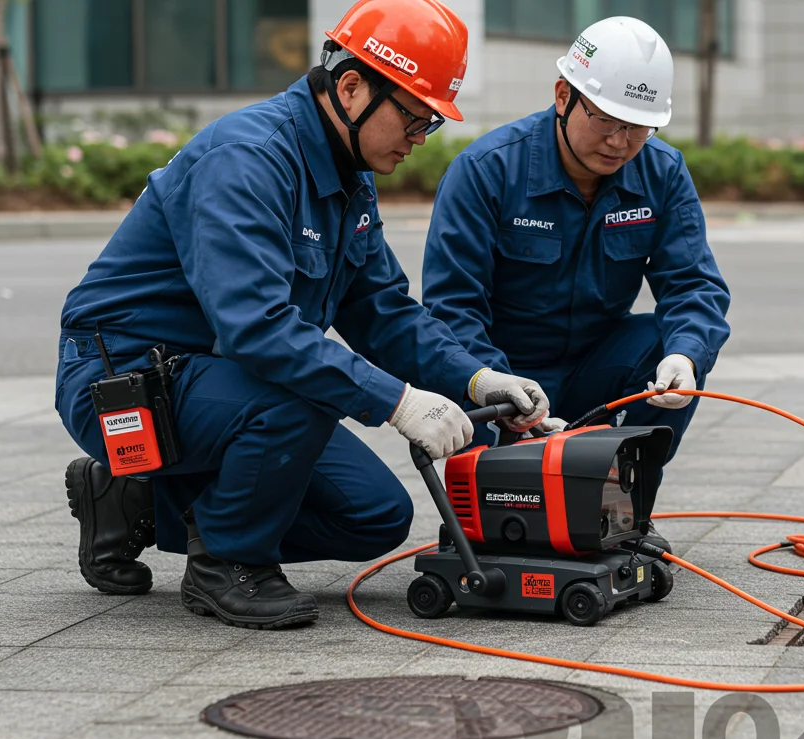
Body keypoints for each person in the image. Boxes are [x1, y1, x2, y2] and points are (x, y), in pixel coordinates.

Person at [55, 0, 550, 630]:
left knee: (372, 516)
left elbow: (381, 309)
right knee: (301, 393)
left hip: (219, 381)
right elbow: (259, 329)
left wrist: (476, 379)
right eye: (415, 121)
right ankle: (227, 563)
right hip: (122, 383)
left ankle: (139, 500)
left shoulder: (345, 175)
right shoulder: (247, 161)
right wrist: (398, 402)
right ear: (351, 88)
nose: (417, 142)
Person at [420, 16, 732, 475]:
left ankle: (621, 502)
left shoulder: (661, 172)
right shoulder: (487, 171)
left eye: (639, 127)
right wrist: (495, 384)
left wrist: (684, 358)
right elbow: (453, 308)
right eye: (606, 119)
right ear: (563, 96)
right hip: (503, 372)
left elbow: (693, 285)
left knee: (667, 342)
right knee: (505, 508)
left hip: (596, 365)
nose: (619, 142)